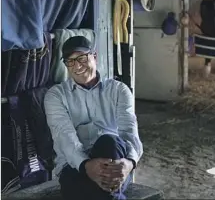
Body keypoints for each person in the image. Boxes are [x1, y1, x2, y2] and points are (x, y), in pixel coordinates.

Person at [44, 36, 143, 200]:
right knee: (102, 192)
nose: (76, 65)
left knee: (109, 141)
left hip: (114, 163)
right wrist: (86, 165)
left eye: (81, 58)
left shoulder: (119, 90)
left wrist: (129, 163)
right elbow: (64, 136)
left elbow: (129, 132)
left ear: (94, 57)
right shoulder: (56, 96)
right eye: (70, 61)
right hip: (74, 166)